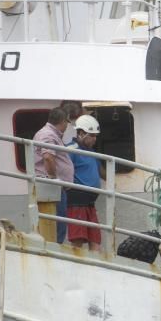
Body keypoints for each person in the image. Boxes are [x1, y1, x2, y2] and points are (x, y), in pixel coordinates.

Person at [33, 107, 73, 244]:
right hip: (52, 187)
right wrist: (54, 179)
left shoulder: (50, 134)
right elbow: (48, 157)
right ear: (63, 121)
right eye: (67, 121)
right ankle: (54, 253)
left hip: (54, 187)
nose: (67, 125)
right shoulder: (48, 135)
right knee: (57, 227)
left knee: (58, 225)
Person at [65, 115, 105, 252]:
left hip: (90, 202)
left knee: (95, 239)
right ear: (81, 133)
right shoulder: (71, 149)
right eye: (92, 136)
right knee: (78, 240)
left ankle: (96, 269)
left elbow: (101, 171)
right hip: (77, 200)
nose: (95, 139)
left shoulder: (91, 152)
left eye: (95, 136)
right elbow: (63, 170)